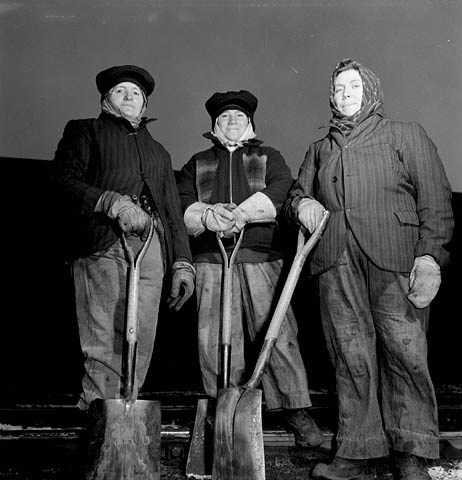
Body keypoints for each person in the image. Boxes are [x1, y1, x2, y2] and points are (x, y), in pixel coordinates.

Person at [284, 59, 454, 480]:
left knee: (405, 353)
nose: (344, 95)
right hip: (335, 260)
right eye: (338, 89)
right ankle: (357, 454)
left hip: (394, 256)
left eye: (353, 87)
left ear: (371, 91)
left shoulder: (404, 134)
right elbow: (295, 195)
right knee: (349, 356)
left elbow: (435, 199)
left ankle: (411, 453)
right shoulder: (319, 149)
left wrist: (431, 256)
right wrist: (301, 204)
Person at [176, 89, 323, 448]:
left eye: (238, 117)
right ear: (214, 125)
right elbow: (179, 199)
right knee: (214, 340)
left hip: (260, 256)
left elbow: (281, 187)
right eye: (225, 117)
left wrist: (243, 212)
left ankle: (295, 411)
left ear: (250, 124)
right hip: (213, 259)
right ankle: (221, 412)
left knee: (278, 335)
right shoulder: (197, 162)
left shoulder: (267, 156)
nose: (232, 122)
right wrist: (207, 215)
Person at [52, 64, 195, 409]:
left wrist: (182, 264)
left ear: (145, 105)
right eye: (120, 91)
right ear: (105, 100)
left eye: (136, 93)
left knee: (139, 340)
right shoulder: (85, 130)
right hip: (103, 244)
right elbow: (62, 179)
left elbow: (172, 214)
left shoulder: (159, 152)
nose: (129, 97)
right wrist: (110, 201)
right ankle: (99, 421)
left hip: (151, 252)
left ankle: (125, 417)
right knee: (104, 342)